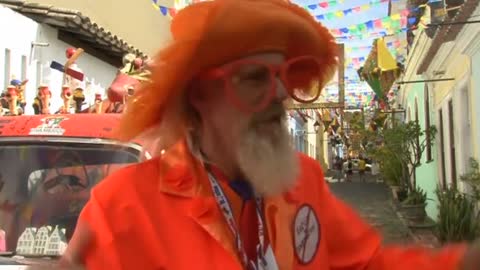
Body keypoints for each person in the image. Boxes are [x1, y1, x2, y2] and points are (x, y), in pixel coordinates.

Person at [59, 0, 479, 269]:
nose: (280, 93)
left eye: (283, 76)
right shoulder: (124, 206)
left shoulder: (303, 180)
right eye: (256, 77)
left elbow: (369, 264)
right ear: (201, 93)